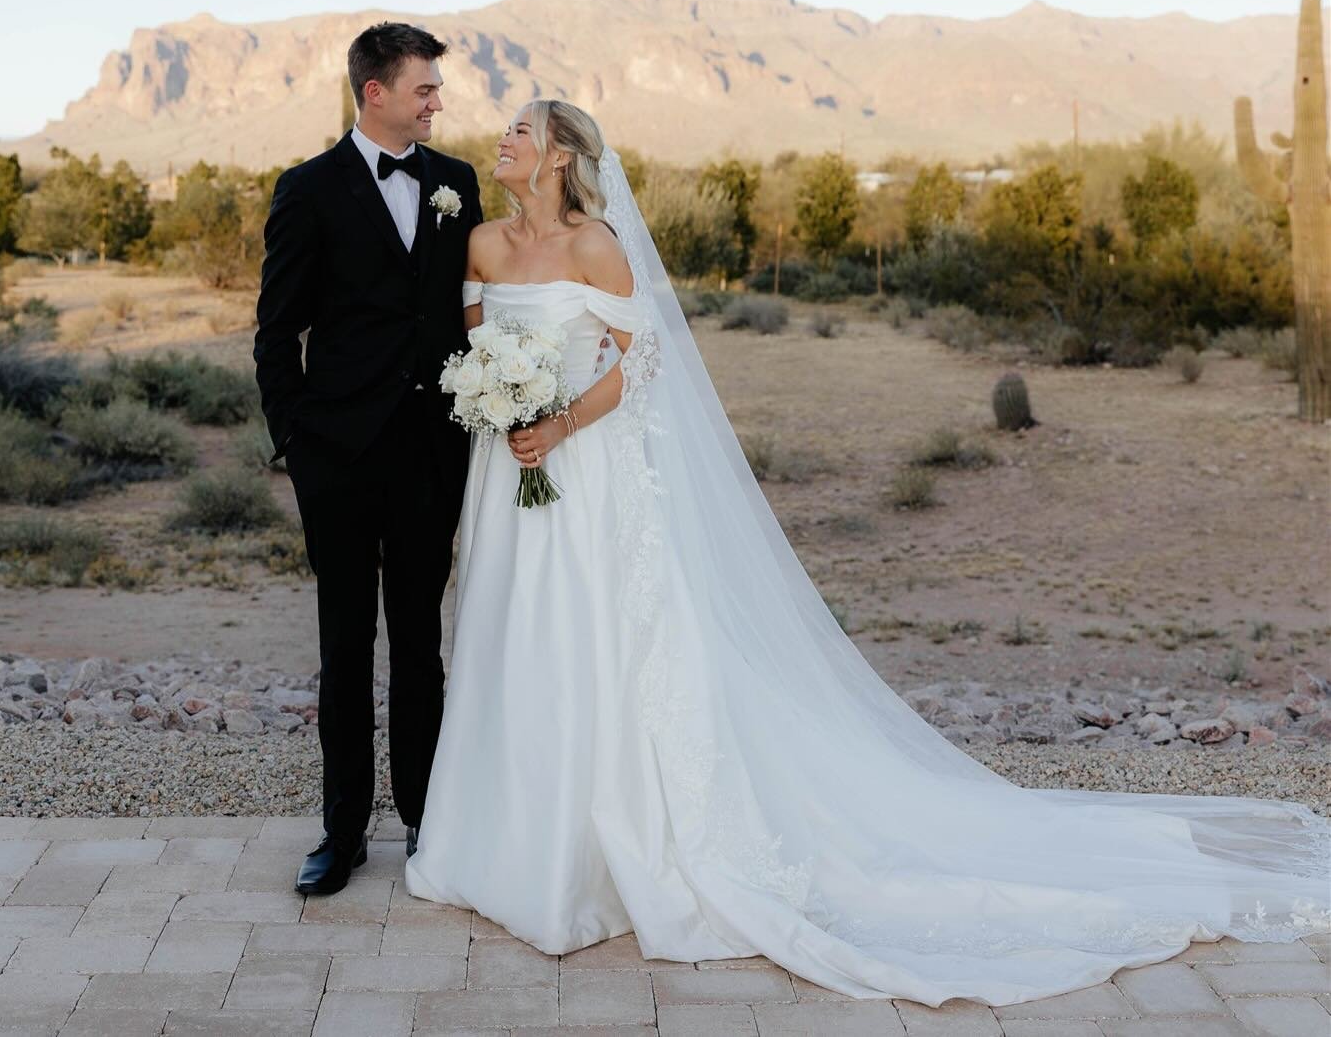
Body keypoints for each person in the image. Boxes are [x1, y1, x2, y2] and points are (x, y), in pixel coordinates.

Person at [405, 97, 1330, 1007]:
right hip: (509, 469)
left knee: (590, 641)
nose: (503, 138)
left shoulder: (599, 247)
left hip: (586, 465)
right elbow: (480, 351)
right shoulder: (483, 244)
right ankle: (503, 841)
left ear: (560, 154)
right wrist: (505, 417)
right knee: (507, 634)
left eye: (521, 129)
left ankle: (591, 854)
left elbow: (635, 362)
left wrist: (560, 422)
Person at [254, 21, 481, 895]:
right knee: (345, 644)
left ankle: (427, 819)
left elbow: (469, 308)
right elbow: (277, 332)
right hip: (337, 458)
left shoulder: (455, 183)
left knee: (420, 644)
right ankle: (341, 832)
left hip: (431, 453)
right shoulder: (308, 190)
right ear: (375, 92)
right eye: (425, 88)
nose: (437, 102)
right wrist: (296, 440)